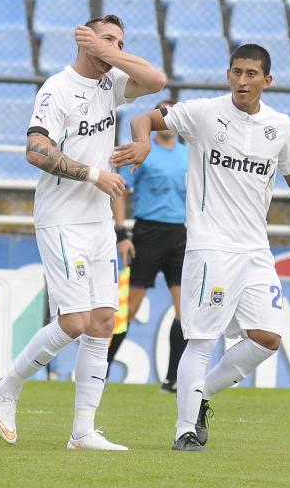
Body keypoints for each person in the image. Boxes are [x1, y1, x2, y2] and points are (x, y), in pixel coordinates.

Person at [112, 44, 290, 452]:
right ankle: (184, 429)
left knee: (267, 338)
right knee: (202, 339)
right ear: (228, 75)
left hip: (255, 250)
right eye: (236, 72)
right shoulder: (204, 113)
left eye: (251, 74)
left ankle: (202, 394)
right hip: (211, 248)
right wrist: (143, 142)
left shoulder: (279, 126)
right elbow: (144, 117)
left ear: (268, 81)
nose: (242, 81)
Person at [0, 15, 166, 451]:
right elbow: (36, 150)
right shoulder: (57, 89)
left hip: (98, 223)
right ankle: (6, 385)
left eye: (122, 41)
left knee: (104, 321)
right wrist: (93, 175)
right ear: (85, 40)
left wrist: (111, 52)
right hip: (61, 218)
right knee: (73, 322)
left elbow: (156, 80)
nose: (116, 48)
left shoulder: (111, 84)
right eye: (108, 39)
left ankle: (82, 432)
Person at [107, 99, 189, 392]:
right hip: (147, 234)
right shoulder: (143, 151)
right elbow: (120, 190)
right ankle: (99, 371)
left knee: (185, 311)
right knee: (128, 310)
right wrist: (122, 233)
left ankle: (172, 378)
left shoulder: (188, 155)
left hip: (179, 235)